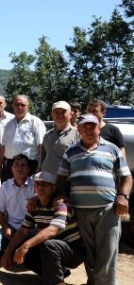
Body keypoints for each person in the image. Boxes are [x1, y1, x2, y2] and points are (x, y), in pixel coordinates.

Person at [57, 113, 132, 285]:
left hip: (107, 210)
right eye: (85, 127)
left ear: (99, 128)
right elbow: (61, 178)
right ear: (79, 129)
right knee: (90, 254)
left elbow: (126, 177)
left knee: (107, 252)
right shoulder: (71, 151)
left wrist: (123, 195)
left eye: (93, 126)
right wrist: (62, 195)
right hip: (81, 210)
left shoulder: (112, 149)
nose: (89, 130)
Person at [2, 172, 86, 285]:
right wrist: (8, 251)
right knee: (19, 245)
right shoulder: (33, 205)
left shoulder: (61, 204)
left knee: (45, 244)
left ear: (53, 188)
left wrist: (26, 245)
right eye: (37, 184)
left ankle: (58, 282)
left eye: (44, 184)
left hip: (74, 251)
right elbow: (23, 231)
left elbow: (52, 231)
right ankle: (55, 274)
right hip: (55, 248)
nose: (40, 188)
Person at [0, 154, 34, 256]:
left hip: (29, 228)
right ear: (12, 169)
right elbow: (0, 213)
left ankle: (16, 250)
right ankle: (15, 251)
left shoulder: (35, 186)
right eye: (16, 165)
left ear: (28, 169)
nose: (19, 168)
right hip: (11, 226)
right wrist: (6, 228)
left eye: (23, 165)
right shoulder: (5, 187)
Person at [0, 95, 45, 181]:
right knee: (11, 191)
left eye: (22, 105)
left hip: (30, 165)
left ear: (28, 107)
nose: (19, 107)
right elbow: (3, 146)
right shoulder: (9, 124)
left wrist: (40, 165)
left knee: (29, 191)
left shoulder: (36, 122)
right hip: (11, 165)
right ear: (13, 107)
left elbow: (41, 146)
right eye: (17, 105)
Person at [38, 101, 79, 178]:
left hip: (65, 183)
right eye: (56, 112)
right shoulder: (48, 135)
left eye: (63, 112)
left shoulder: (77, 134)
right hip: (46, 183)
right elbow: (42, 158)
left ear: (70, 115)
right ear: (52, 115)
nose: (60, 115)